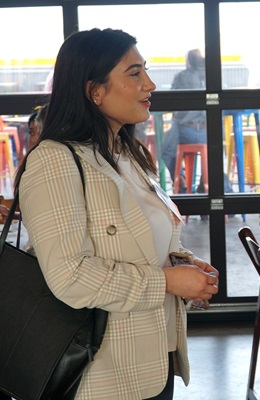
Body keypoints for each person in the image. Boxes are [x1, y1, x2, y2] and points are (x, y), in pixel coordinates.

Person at [14, 28, 219, 400]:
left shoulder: (129, 154)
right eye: (135, 73)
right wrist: (169, 282)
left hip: (155, 358)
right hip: (101, 373)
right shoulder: (55, 161)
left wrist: (184, 264)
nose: (150, 84)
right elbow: (69, 276)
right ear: (95, 91)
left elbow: (142, 241)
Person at [160, 49, 207, 191]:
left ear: (188, 62)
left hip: (186, 131)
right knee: (212, 155)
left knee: (166, 150)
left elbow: (170, 103)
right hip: (208, 133)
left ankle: (180, 182)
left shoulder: (182, 77)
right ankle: (204, 187)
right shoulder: (212, 76)